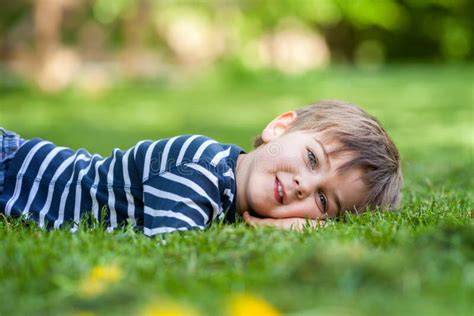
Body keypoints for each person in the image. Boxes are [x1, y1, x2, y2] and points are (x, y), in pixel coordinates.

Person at [0, 100, 402, 236]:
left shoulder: (229, 186)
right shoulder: (200, 169)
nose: (302, 185)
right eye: (312, 158)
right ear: (279, 128)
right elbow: (166, 249)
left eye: (322, 200)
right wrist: (270, 233)